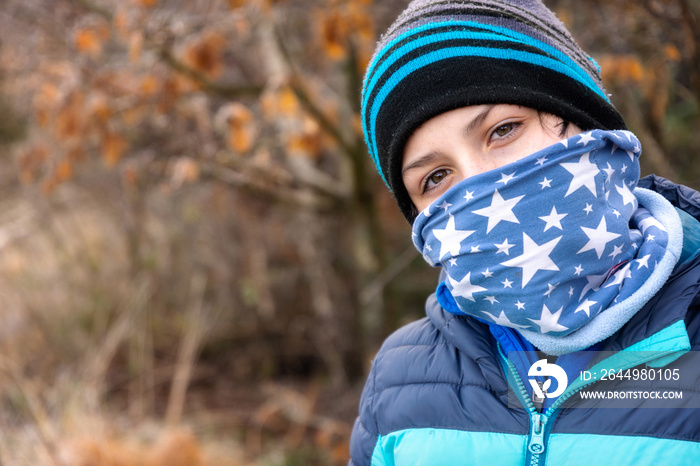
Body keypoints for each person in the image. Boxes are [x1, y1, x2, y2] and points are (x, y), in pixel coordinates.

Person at [349, 0, 700, 464]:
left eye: (503, 130)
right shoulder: (397, 382)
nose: (478, 186)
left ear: (584, 123)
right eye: (435, 178)